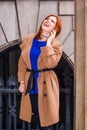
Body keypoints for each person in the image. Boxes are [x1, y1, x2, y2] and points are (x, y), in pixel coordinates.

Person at [17, 14, 63, 130]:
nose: (47, 21)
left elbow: (51, 64)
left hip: (46, 83)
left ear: (55, 29)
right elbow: (22, 63)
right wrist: (21, 81)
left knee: (46, 121)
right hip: (31, 83)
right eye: (47, 19)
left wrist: (48, 44)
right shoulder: (29, 38)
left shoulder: (56, 45)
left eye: (52, 21)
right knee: (35, 118)